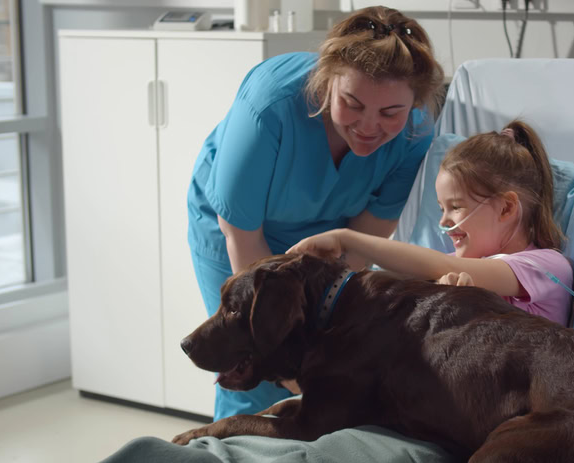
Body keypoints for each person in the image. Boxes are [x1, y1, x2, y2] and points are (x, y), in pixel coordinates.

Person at [186, 6, 445, 421]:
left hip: (330, 237)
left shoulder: (415, 134)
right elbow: (244, 239)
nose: (368, 126)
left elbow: (360, 247)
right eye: (352, 104)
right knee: (251, 361)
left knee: (322, 357)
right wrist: (285, 364)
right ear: (326, 84)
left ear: (413, 104)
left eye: (390, 113)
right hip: (241, 229)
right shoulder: (271, 105)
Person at [289, 120, 572, 326]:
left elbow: (443, 266)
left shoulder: (545, 266)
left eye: (456, 207)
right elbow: (387, 282)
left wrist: (345, 238)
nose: (443, 221)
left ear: (507, 207)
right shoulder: (453, 273)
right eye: (440, 208)